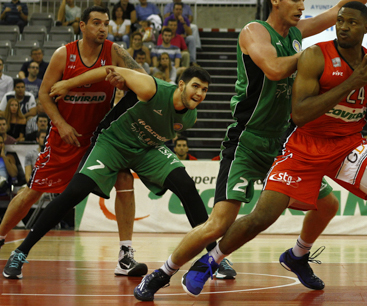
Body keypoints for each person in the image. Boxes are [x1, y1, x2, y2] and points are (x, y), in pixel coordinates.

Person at [145, 0, 367, 305]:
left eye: (352, 23)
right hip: (305, 145)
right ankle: (210, 261)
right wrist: (355, 80)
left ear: (366, 28)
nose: (343, 27)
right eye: (340, 21)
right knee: (262, 216)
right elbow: (300, 113)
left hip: (348, 146)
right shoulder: (315, 56)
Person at [133, 0, 367, 301]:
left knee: (329, 204)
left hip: (283, 143)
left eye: (304, 0)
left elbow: (340, 11)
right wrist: (310, 57)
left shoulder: (295, 34)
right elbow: (274, 68)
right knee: (219, 223)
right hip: (247, 140)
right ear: (275, 0)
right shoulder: (254, 31)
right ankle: (161, 273)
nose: (302, 6)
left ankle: (298, 256)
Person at [2, 67, 225, 281]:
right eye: (196, 86)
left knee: (186, 186)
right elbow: (110, 68)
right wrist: (69, 83)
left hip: (145, 148)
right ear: (181, 84)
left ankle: (214, 259)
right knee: (74, 193)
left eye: (205, 90)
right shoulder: (151, 88)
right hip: (112, 141)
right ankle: (20, 253)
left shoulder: (190, 117)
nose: (199, 93)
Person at [0, 6, 146, 278]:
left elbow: (144, 80)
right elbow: (44, 95)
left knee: (124, 179)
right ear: (82, 25)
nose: (103, 28)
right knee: (34, 190)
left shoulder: (114, 52)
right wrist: (61, 124)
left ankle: (125, 254)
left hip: (100, 139)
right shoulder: (63, 55)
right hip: (64, 137)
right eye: (96, 23)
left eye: (105, 23)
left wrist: (124, 82)